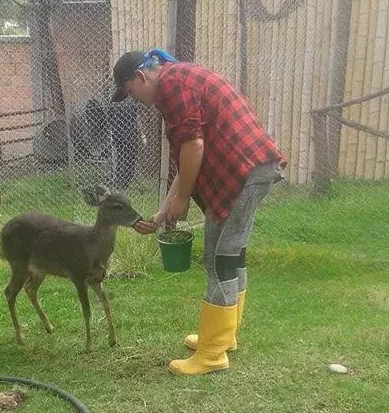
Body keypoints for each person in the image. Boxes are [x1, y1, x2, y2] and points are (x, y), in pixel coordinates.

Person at [111, 48, 286, 376]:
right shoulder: (180, 79)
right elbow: (187, 155)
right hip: (248, 169)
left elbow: (194, 146)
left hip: (245, 172)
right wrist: (164, 211)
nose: (135, 100)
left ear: (140, 76)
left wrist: (185, 198)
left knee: (220, 258)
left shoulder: (172, 85)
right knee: (232, 254)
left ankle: (212, 354)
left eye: (131, 93)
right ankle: (223, 335)